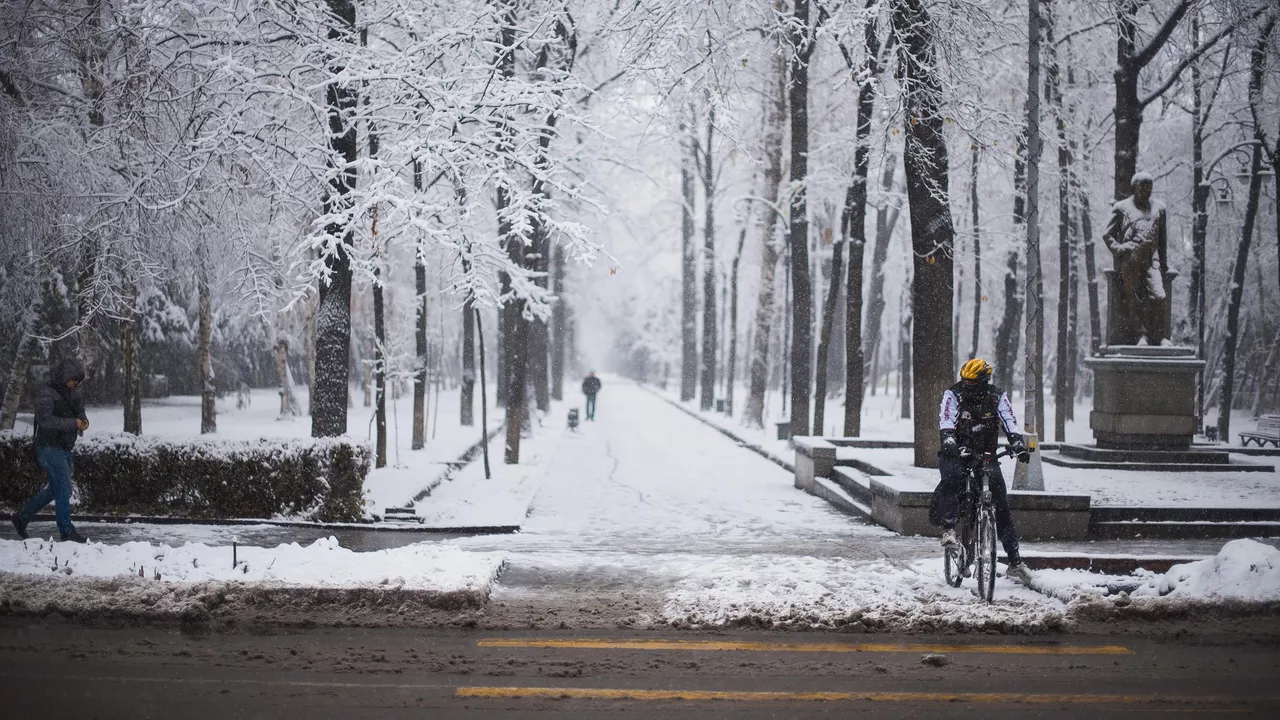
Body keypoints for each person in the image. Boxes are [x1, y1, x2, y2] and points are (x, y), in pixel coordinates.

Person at [930, 358, 1032, 584]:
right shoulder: (953, 394)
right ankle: (949, 529)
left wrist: (1017, 443)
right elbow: (946, 419)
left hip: (986, 455)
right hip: (957, 452)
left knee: (1001, 504)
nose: (967, 386)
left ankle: (1015, 562)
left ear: (984, 381)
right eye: (964, 381)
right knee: (952, 479)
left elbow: (1009, 420)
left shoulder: (997, 396)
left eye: (972, 382)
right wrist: (948, 439)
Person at [12, 359, 89, 543]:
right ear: (64, 377)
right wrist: (73, 423)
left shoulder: (74, 393)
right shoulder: (46, 393)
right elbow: (46, 421)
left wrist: (83, 421)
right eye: (73, 379)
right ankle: (66, 531)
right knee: (63, 489)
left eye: (77, 380)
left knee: (58, 490)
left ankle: (21, 517)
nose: (75, 383)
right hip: (48, 447)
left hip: (65, 448)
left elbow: (80, 412)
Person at [1102, 171, 1169, 346]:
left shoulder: (1159, 208)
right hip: (1131, 258)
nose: (1146, 192)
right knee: (1135, 296)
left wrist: (1164, 263)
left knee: (1158, 295)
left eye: (1149, 189)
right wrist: (1120, 248)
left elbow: (1162, 239)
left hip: (1152, 258)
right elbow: (1107, 235)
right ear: (1135, 188)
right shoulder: (1121, 207)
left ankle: (1160, 336)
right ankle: (1141, 335)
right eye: (1142, 188)